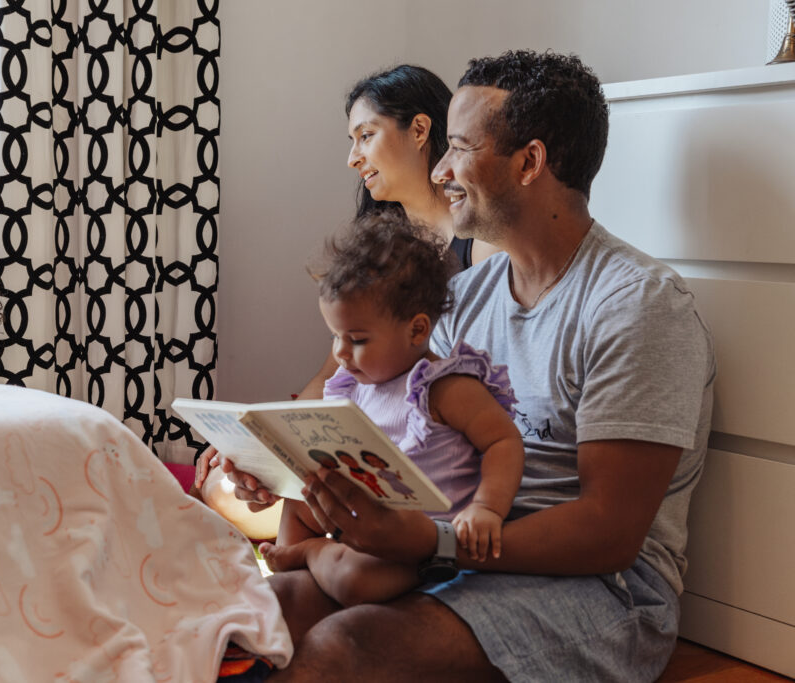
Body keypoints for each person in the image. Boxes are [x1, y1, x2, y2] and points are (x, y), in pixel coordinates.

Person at [242, 50, 716, 682]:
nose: (439, 170)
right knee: (265, 612)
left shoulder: (637, 308)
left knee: (345, 646)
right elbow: (399, 431)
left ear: (529, 162)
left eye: (458, 147)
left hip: (605, 591)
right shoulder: (466, 296)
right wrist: (281, 471)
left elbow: (610, 534)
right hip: (462, 552)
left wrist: (430, 542)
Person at [195, 64, 499, 495]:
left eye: (366, 135)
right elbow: (332, 375)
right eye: (352, 141)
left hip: (437, 461)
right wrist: (258, 434)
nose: (353, 158)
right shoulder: (379, 254)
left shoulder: (479, 243)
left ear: (418, 130)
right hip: (363, 449)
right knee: (223, 486)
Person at [257, 214, 523, 609]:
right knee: (300, 498)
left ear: (417, 331)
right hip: (363, 519)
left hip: (420, 540)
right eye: (335, 336)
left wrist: (487, 508)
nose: (341, 353)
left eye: (357, 339)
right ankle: (300, 571)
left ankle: (311, 555)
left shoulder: (445, 387)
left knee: (355, 581)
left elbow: (504, 441)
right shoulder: (357, 383)